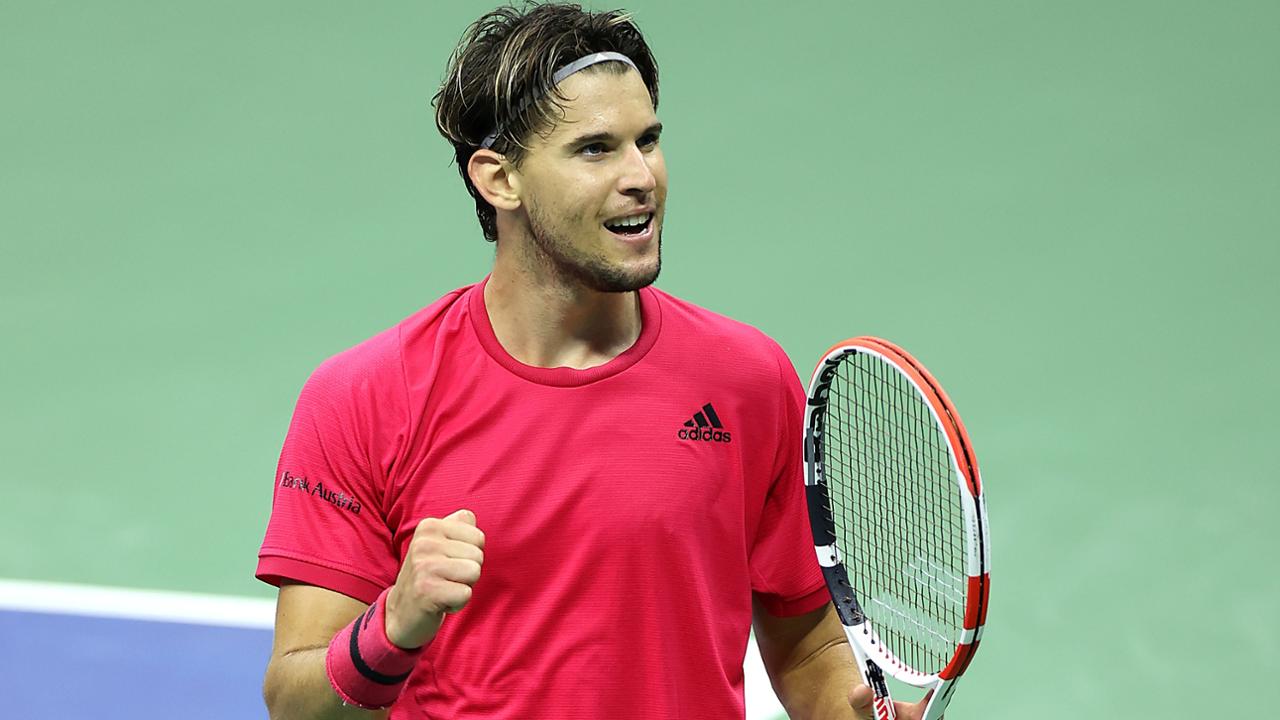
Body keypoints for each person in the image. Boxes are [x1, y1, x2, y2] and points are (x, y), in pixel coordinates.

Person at [257, 4, 928, 719]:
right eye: (595, 149)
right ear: (499, 179)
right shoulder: (364, 397)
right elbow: (295, 706)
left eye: (649, 140)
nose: (642, 175)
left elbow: (809, 648)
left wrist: (853, 714)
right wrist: (393, 627)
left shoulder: (747, 381)